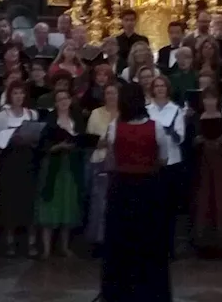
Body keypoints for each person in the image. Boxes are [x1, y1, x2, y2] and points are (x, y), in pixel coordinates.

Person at [100, 82, 175, 302]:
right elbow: (164, 158)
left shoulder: (114, 127)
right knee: (150, 241)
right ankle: (152, 291)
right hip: (149, 190)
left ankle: (118, 291)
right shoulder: (156, 127)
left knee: (120, 242)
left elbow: (111, 158)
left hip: (121, 190)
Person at [36, 89, 85, 258]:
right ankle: (46, 248)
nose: (63, 101)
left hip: (70, 165)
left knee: (68, 204)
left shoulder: (76, 120)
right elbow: (41, 145)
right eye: (59, 99)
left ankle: (64, 246)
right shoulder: (49, 121)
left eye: (66, 98)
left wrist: (77, 144)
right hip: (53, 165)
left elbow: (83, 140)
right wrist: (57, 147)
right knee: (50, 203)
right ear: (55, 103)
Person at [190, 86, 222, 257]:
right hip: (202, 168)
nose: (209, 102)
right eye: (206, 99)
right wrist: (197, 141)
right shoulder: (195, 119)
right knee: (203, 203)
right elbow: (189, 144)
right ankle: (204, 244)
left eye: (212, 98)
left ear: (218, 100)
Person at [0, 81, 39, 257]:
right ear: (9, 95)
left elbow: (37, 136)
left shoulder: (31, 114)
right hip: (10, 161)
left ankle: (30, 241)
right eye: (15, 93)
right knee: (10, 202)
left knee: (28, 201)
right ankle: (9, 240)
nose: (19, 97)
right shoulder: (3, 116)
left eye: (21, 93)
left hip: (28, 161)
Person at [148, 74, 187, 257]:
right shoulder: (148, 110)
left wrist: (170, 132)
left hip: (172, 162)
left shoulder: (176, 110)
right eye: (157, 86)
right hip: (153, 162)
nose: (160, 89)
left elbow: (181, 137)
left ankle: (169, 247)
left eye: (163, 86)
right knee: (153, 206)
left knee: (169, 207)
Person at [85, 82, 120, 249]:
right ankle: (98, 240)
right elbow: (91, 139)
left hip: (120, 163)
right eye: (108, 93)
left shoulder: (124, 114)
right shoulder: (95, 113)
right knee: (98, 203)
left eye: (114, 93)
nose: (111, 96)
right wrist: (105, 141)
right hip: (99, 160)